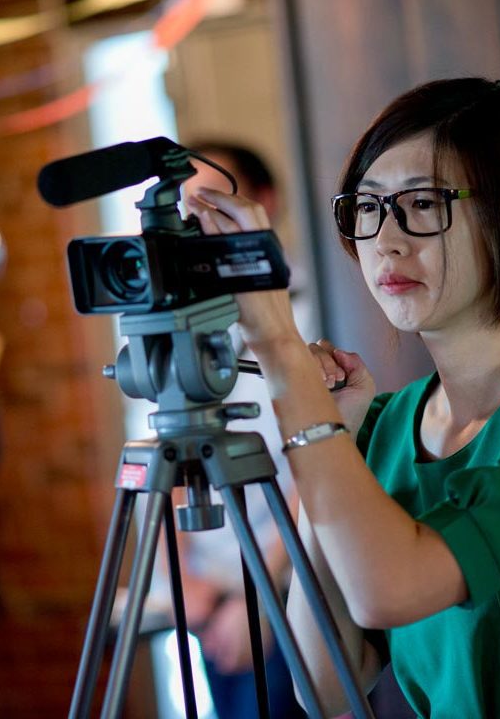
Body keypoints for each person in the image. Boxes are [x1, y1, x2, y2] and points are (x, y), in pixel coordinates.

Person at [184, 77, 500, 717]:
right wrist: (335, 434)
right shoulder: (386, 425)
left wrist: (280, 349)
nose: (385, 239)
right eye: (368, 206)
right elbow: (322, 683)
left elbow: (394, 587)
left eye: (420, 202)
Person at [175, 141, 305, 719]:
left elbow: (319, 455)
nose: (195, 227)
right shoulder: (171, 316)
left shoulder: (304, 308)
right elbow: (165, 451)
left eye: (211, 205)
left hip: (287, 580)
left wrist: (260, 596)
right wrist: (185, 587)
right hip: (206, 593)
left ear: (262, 206)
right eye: (183, 213)